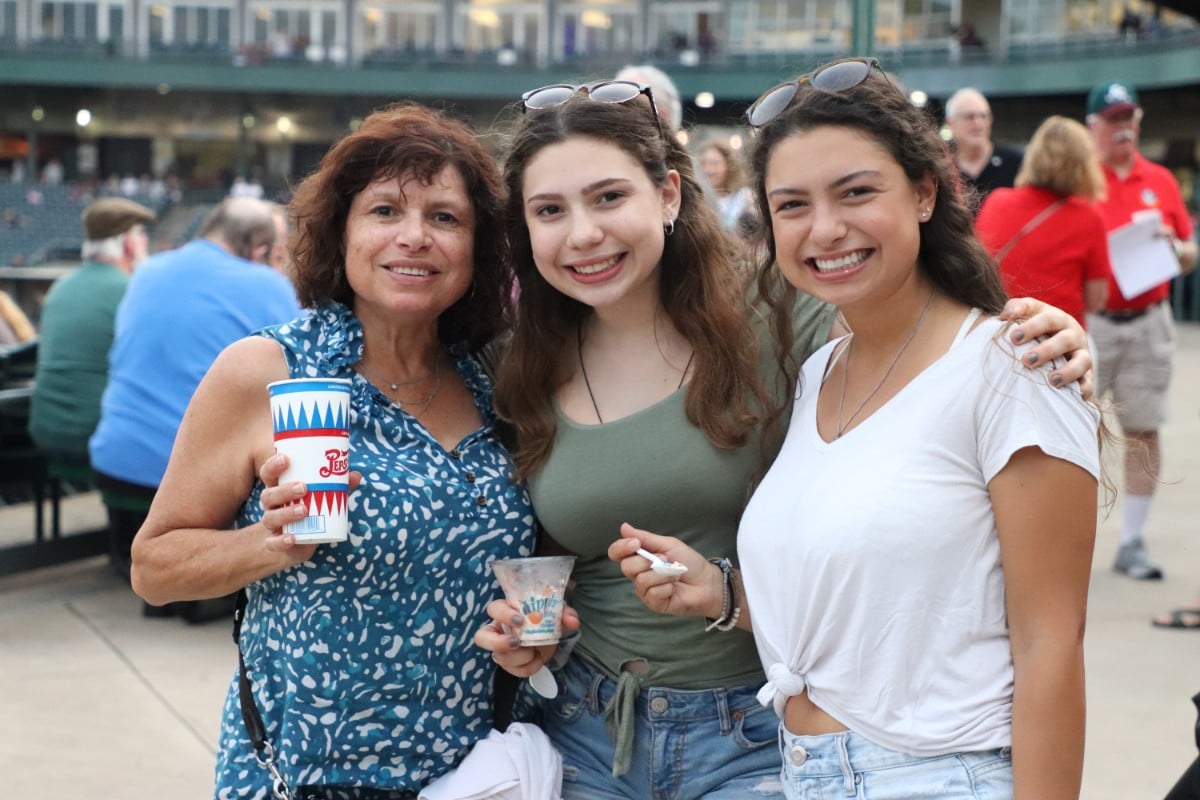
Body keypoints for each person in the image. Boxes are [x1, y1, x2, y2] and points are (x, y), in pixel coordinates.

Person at [473, 75, 1096, 799]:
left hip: (765, 735)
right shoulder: (518, 362)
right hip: (595, 727)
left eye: (609, 197)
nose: (583, 233)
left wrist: (1042, 337)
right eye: (550, 210)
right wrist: (532, 629)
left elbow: (920, 344)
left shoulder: (784, 318)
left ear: (669, 196)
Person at [130, 104, 538, 798]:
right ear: (341, 231)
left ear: (478, 247)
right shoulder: (268, 370)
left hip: (477, 778)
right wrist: (268, 543)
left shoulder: (496, 379)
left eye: (445, 217)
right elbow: (153, 567)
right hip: (307, 777)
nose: (414, 237)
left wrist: (533, 637)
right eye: (384, 211)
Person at [89, 197, 299, 594]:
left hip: (114, 456)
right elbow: (308, 368)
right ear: (260, 250)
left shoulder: (147, 270)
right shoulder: (266, 284)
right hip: (179, 483)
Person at [1086, 80, 1197, 580]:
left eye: (1129, 118)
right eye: (1113, 119)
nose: (1123, 128)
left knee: (1144, 430)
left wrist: (1175, 247)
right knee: (1074, 431)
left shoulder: (1161, 180)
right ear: (1093, 126)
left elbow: (1190, 253)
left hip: (1149, 319)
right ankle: (1068, 538)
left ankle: (1132, 540)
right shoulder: (1081, 180)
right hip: (1094, 320)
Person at [29, 197, 154, 471]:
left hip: (46, 430)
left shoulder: (60, 286)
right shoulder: (133, 291)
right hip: (97, 438)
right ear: (128, 243)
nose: (146, 242)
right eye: (142, 234)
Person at [975, 115, 1110, 328]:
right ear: (1083, 165)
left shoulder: (997, 201)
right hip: (1058, 336)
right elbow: (1096, 299)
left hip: (1001, 330)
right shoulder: (1089, 218)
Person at [944, 87, 1023, 204]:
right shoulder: (942, 167)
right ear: (950, 123)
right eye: (969, 117)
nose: (978, 123)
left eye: (983, 116)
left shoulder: (1016, 163)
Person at [699, 140, 756, 236]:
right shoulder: (700, 199)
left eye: (714, 164)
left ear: (729, 166)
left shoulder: (745, 197)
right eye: (704, 164)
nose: (708, 170)